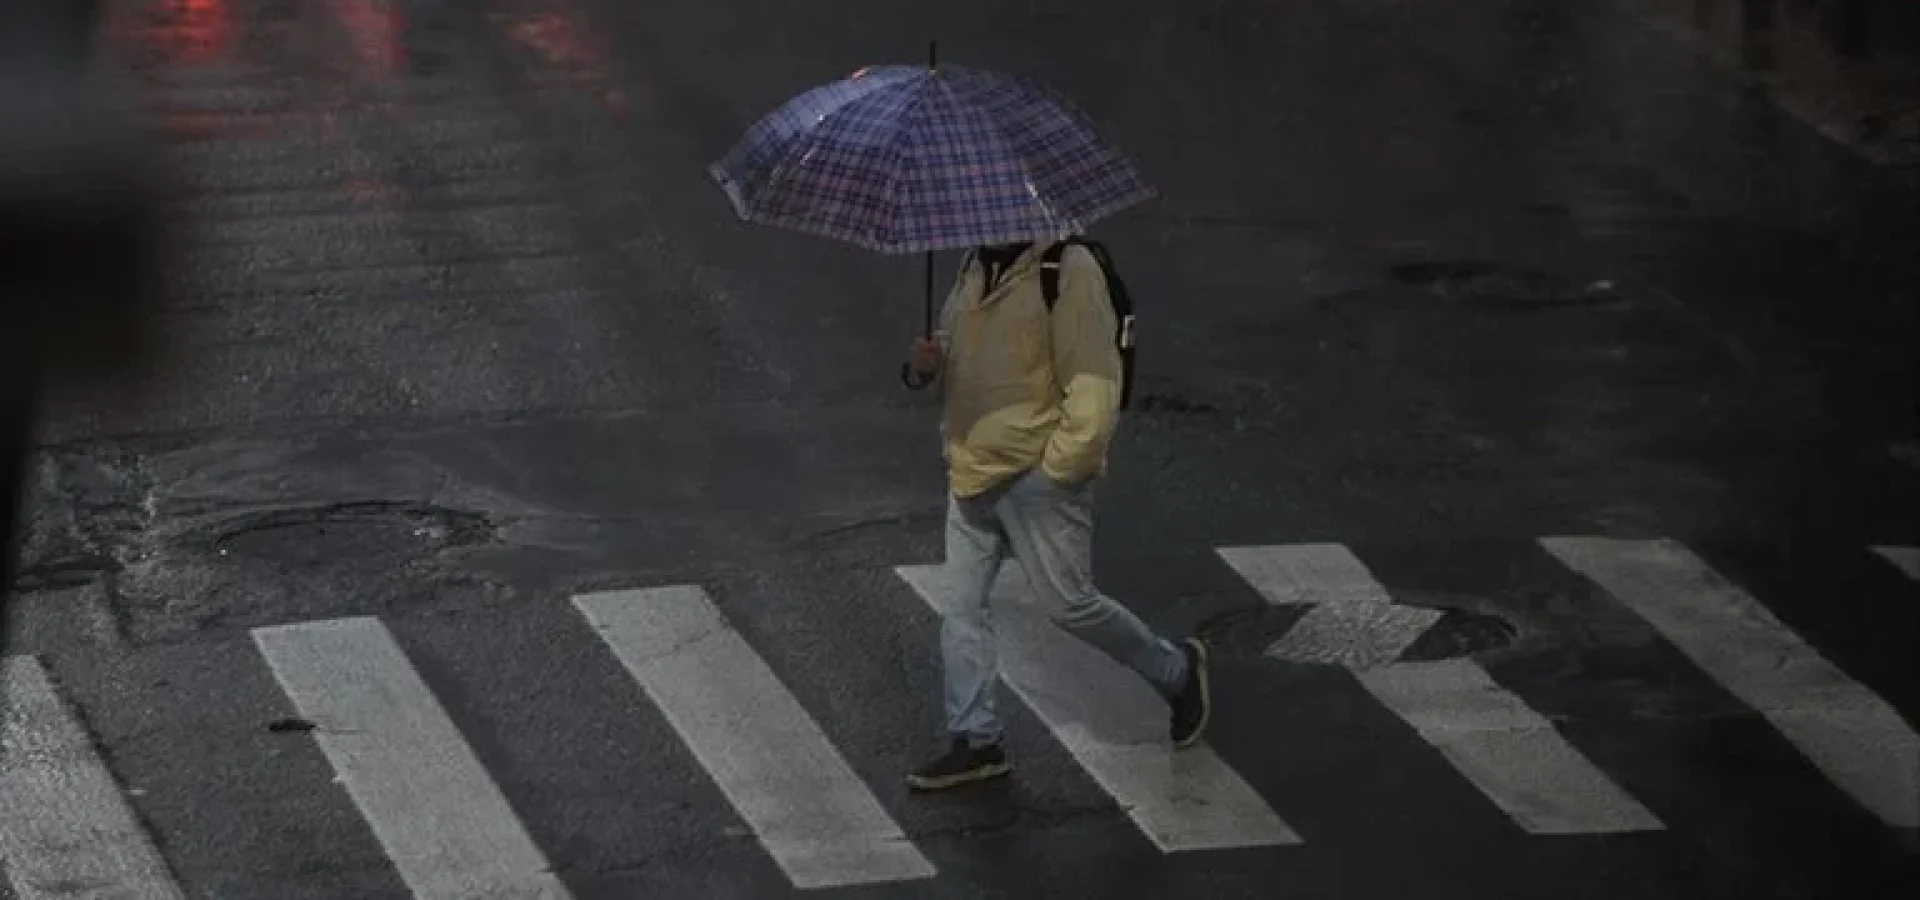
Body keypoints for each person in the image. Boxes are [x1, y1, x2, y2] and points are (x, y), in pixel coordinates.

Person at [899, 237, 1210, 792]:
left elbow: (1094, 386)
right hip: (970, 466)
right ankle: (977, 739)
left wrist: (1059, 471)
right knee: (960, 608)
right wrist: (924, 366)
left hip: (1034, 478)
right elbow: (958, 354)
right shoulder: (975, 263)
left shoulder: (1067, 269)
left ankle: (1178, 673)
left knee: (1070, 606)